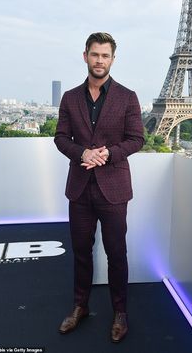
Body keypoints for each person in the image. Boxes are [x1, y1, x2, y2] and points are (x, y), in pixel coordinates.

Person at [54, 32, 144, 343]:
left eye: (105, 56)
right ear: (86, 56)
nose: (99, 60)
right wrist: (82, 152)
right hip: (79, 189)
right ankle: (80, 306)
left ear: (112, 59)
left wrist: (108, 154)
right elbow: (61, 138)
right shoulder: (69, 98)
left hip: (113, 189)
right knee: (81, 252)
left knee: (116, 252)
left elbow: (137, 139)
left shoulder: (128, 97)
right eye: (95, 54)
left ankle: (120, 312)